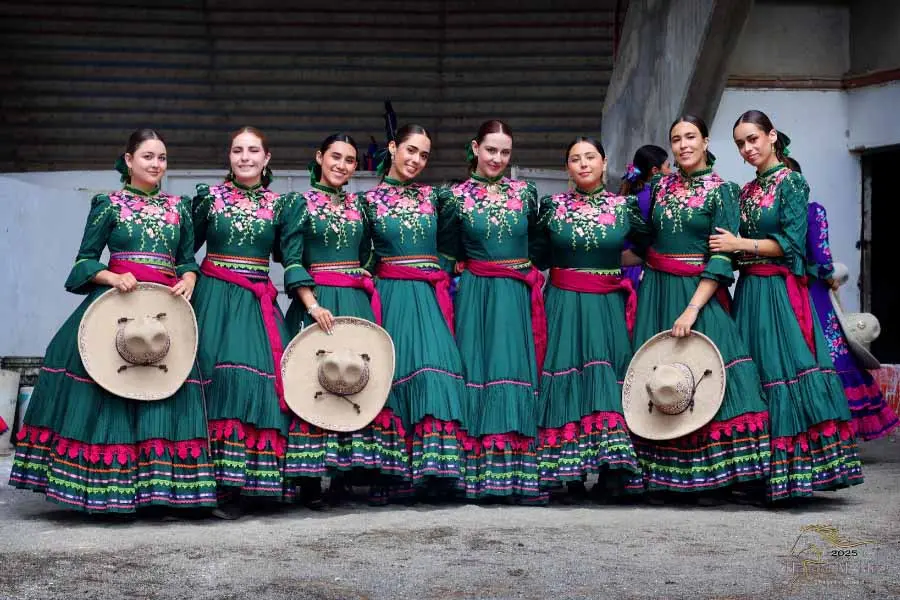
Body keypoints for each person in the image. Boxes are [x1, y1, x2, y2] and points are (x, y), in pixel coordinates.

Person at [9, 129, 217, 514]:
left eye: (162, 158)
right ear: (128, 160)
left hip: (164, 316)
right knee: (109, 389)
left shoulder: (179, 207)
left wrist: (188, 278)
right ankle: (104, 491)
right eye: (148, 157)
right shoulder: (108, 204)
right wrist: (112, 276)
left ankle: (160, 493)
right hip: (117, 307)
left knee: (163, 388)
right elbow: (84, 261)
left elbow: (187, 260)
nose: (156, 165)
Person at [715, 109, 863, 503]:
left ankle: (797, 474)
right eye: (741, 144)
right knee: (753, 377)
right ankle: (760, 473)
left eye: (753, 139)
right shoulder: (745, 191)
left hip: (779, 294)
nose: (747, 149)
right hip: (748, 291)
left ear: (772, 136)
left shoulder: (792, 183)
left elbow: (792, 243)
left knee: (784, 370)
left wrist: (739, 245)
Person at [630, 115, 771, 506]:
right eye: (676, 139)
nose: (683, 145)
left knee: (712, 375)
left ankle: (716, 478)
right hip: (657, 289)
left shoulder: (724, 191)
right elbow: (647, 239)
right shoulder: (660, 186)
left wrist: (692, 310)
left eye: (691, 137)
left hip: (699, 292)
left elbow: (723, 258)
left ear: (706, 140)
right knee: (662, 379)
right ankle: (660, 477)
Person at [191, 126, 323, 518]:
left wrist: (316, 297)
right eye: (237, 150)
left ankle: (251, 484)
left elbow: (293, 257)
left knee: (256, 380)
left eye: (253, 151)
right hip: (212, 297)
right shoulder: (208, 199)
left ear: (267, 159)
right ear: (228, 157)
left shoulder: (283, 206)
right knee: (208, 381)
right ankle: (208, 485)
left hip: (254, 299)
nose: (245, 157)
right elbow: (185, 251)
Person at [283, 133, 408, 506]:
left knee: (356, 378)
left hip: (355, 302)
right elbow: (291, 258)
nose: (341, 165)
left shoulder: (360, 204)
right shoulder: (298, 203)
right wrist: (310, 304)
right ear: (320, 157)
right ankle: (308, 481)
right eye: (335, 157)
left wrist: (364, 273)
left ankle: (344, 476)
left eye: (350, 160)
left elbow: (372, 250)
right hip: (318, 303)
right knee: (314, 383)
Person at [437, 120, 547, 504]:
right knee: (477, 370)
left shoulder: (527, 193)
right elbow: (447, 253)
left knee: (514, 370)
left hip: (516, 294)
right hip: (476, 294)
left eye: (505, 152)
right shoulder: (454, 197)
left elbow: (537, 245)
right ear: (475, 148)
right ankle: (474, 478)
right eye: (491, 150)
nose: (498, 158)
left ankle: (521, 478)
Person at [532, 137, 644, 503]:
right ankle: (567, 472)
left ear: (604, 161)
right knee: (565, 376)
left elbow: (648, 245)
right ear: (567, 167)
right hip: (562, 302)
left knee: (608, 377)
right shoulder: (551, 207)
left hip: (607, 304)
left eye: (590, 157)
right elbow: (538, 254)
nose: (583, 164)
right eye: (575, 159)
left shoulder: (624, 207)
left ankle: (613, 470)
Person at [363, 124, 468, 499]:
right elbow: (364, 255)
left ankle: (436, 469)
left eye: (424, 155)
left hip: (428, 294)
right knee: (395, 374)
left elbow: (453, 239)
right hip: (389, 295)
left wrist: (440, 265)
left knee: (437, 369)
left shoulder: (437, 198)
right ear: (392, 148)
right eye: (410, 150)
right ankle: (392, 473)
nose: (416, 160)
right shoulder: (368, 200)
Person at [785, 157, 898, 442]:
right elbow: (822, 259)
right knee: (829, 356)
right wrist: (828, 273)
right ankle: (836, 428)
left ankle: (804, 431)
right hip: (812, 292)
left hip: (781, 289)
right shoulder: (812, 211)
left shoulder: (773, 215)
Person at [619, 145, 671, 289]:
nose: (670, 172)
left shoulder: (629, 193)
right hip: (640, 269)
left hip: (623, 271)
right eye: (668, 166)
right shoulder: (651, 198)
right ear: (655, 171)